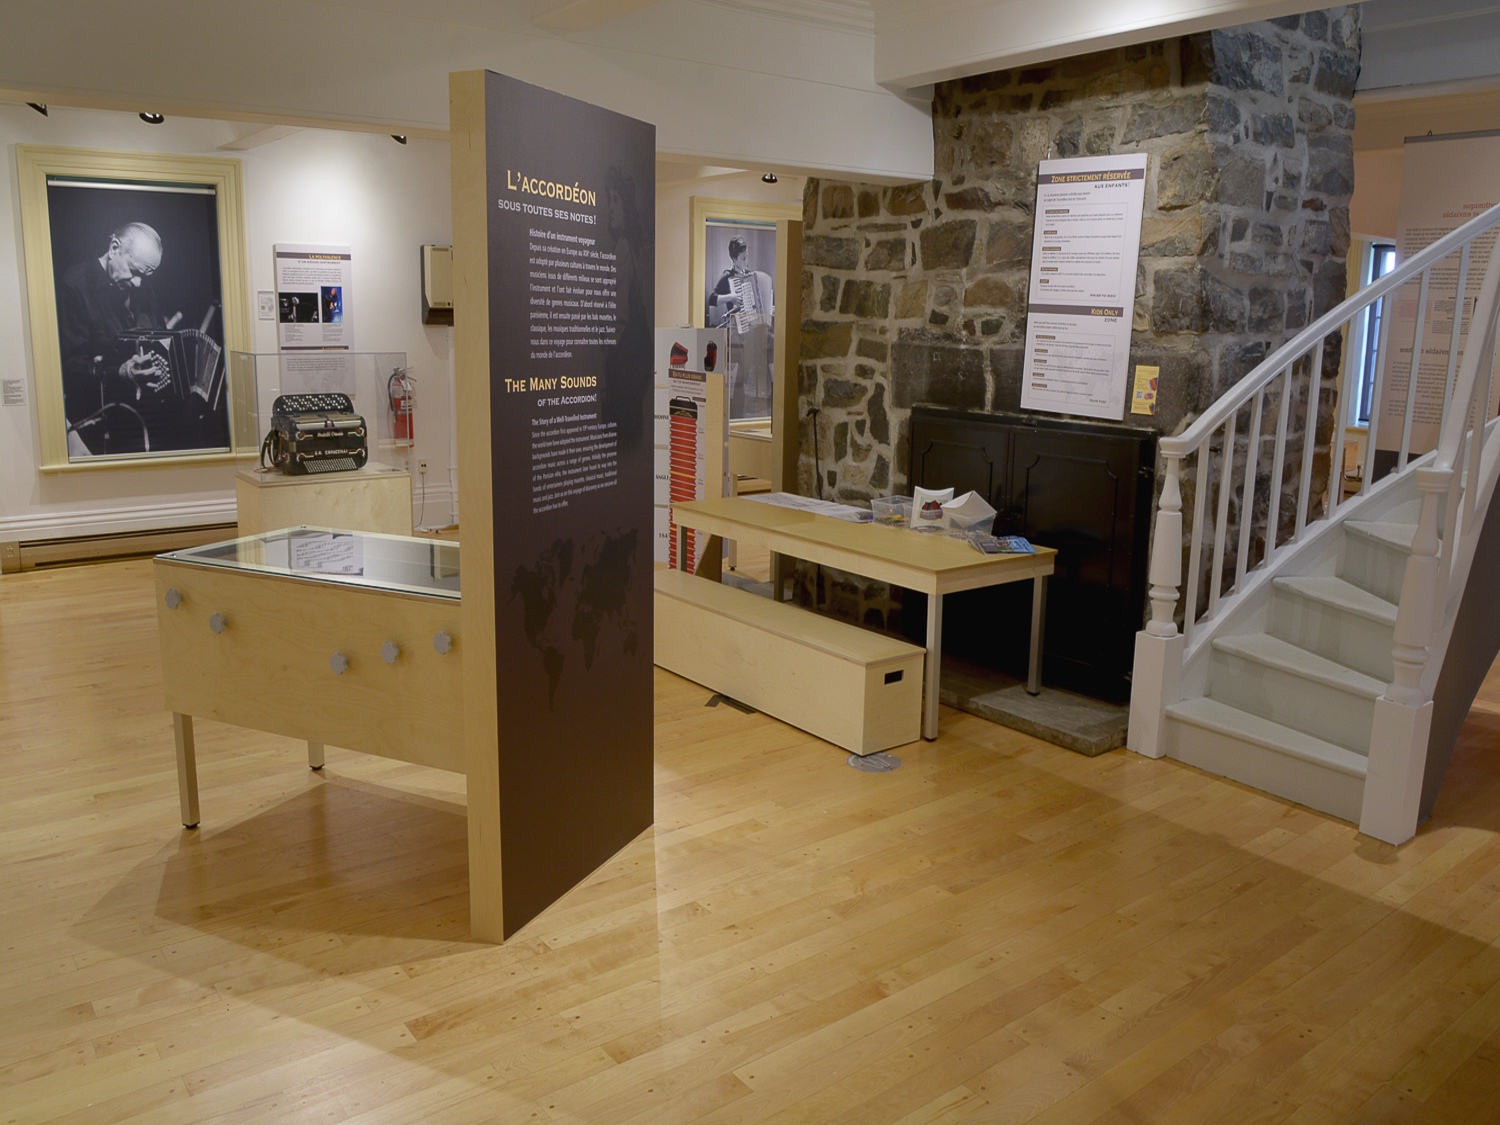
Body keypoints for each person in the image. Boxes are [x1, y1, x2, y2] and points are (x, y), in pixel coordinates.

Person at [55, 222, 176, 451]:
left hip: (145, 420)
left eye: (145, 275)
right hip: (98, 422)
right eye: (134, 271)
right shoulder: (75, 285)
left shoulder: (144, 290)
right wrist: (120, 372)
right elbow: (70, 364)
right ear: (114, 248)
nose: (138, 283)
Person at [707, 236, 774, 416]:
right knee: (755, 346)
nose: (746, 261)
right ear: (734, 258)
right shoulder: (727, 277)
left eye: (747, 257)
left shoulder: (750, 276)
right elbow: (711, 299)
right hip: (736, 328)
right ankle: (739, 402)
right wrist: (731, 297)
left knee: (771, 339)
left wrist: (769, 307)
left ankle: (774, 390)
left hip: (752, 328)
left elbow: (756, 304)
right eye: (743, 258)